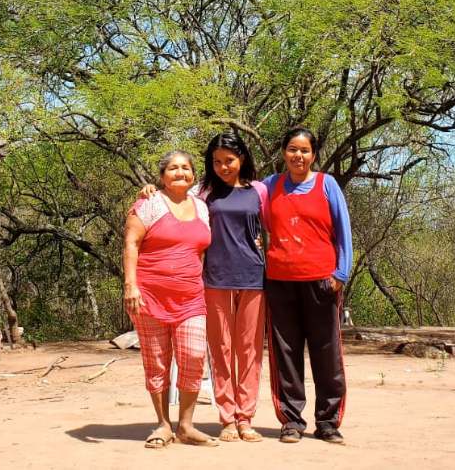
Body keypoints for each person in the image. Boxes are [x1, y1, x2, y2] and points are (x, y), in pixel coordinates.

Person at [123, 150, 218, 449]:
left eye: (186, 168)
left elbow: (200, 250)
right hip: (149, 295)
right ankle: (163, 425)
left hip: (190, 297)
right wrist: (130, 285)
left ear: (193, 175)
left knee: (192, 357)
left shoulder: (202, 208)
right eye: (173, 168)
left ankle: (187, 426)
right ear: (162, 176)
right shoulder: (149, 203)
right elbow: (131, 243)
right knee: (157, 362)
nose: (180, 172)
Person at [263, 127, 352, 444]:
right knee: (285, 355)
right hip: (280, 282)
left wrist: (341, 274)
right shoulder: (269, 186)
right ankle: (291, 421)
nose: (297, 155)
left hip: (321, 281)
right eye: (291, 149)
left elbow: (344, 232)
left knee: (327, 353)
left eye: (304, 150)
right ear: (284, 153)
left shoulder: (327, 185)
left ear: (313, 155)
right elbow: (237, 200)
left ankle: (327, 422)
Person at [196, 132, 268, 442]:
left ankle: (245, 418)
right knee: (221, 349)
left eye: (229, 160)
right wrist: (148, 192)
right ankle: (227, 417)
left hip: (253, 277)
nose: (223, 166)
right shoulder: (203, 193)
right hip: (215, 278)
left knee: (249, 350)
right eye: (217, 162)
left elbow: (270, 228)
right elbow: (172, 200)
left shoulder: (259, 191)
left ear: (242, 159)